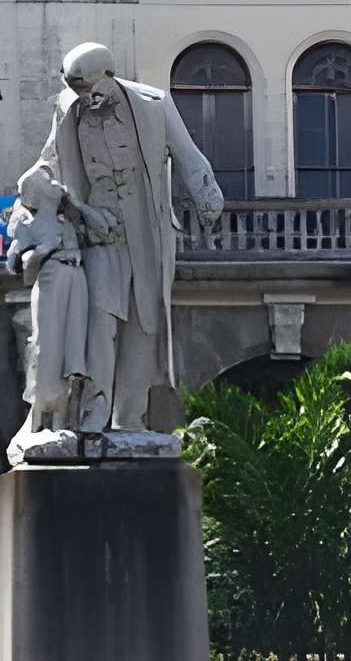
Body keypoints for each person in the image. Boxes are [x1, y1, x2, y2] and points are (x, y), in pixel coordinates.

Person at [28, 42, 224, 435]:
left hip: (148, 227)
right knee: (100, 320)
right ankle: (95, 410)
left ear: (111, 76)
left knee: (143, 321)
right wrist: (35, 189)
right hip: (100, 229)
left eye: (90, 90)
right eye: (77, 91)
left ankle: (129, 416)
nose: (85, 99)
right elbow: (49, 160)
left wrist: (207, 197)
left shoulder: (154, 104)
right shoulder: (68, 109)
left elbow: (188, 154)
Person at [4, 160, 114, 438]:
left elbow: (103, 230)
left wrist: (78, 205)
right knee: (47, 345)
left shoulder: (69, 221)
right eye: (48, 180)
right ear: (37, 191)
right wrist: (43, 250)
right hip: (51, 278)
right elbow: (16, 262)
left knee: (74, 348)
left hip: (76, 278)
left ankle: (64, 421)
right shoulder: (30, 223)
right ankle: (39, 417)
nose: (56, 183)